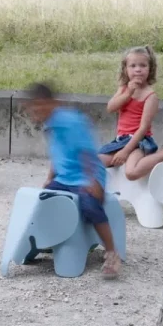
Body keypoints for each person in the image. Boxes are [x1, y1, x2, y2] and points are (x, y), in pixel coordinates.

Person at [26, 82, 121, 279]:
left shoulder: (71, 122)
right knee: (44, 201)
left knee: (89, 205)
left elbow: (86, 151)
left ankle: (112, 252)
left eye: (41, 106)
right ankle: (41, 243)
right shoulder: (50, 124)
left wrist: (92, 181)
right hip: (65, 177)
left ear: (53, 103)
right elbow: (58, 153)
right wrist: (50, 178)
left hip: (87, 175)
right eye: (34, 108)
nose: (37, 111)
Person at [98, 45, 163, 180]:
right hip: (120, 140)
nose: (138, 69)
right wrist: (128, 93)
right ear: (125, 69)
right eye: (133, 66)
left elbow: (143, 128)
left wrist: (126, 151)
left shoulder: (150, 96)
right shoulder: (124, 89)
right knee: (95, 163)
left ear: (150, 69)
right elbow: (110, 108)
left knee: (131, 173)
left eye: (143, 65)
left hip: (140, 141)